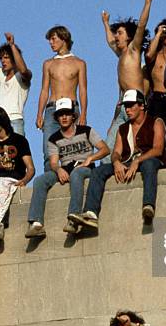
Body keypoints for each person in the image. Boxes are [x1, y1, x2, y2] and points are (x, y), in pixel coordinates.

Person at [72, 90, 165, 228]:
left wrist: (137, 161)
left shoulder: (156, 122)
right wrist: (116, 162)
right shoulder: (123, 128)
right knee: (99, 171)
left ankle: (148, 205)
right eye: (126, 106)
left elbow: (158, 149)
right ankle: (91, 213)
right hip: (127, 161)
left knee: (149, 164)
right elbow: (116, 151)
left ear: (141, 106)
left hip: (149, 159)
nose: (127, 109)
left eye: (131, 105)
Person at [25, 98, 109, 238]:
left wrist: (90, 158)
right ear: (57, 117)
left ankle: (73, 218)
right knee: (40, 180)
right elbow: (53, 162)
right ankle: (36, 223)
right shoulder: (54, 138)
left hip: (85, 168)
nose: (64, 117)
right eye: (60, 114)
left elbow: (105, 149)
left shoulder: (86, 131)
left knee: (77, 173)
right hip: (65, 168)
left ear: (73, 116)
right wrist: (58, 169)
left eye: (67, 114)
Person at [101, 0, 154, 158]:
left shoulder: (133, 51)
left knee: (137, 145)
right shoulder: (121, 54)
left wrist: (147, 3)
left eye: (120, 33)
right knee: (110, 146)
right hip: (124, 106)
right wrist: (105, 23)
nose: (116, 36)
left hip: (137, 104)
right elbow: (110, 41)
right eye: (116, 33)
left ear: (129, 37)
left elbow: (141, 26)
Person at [0, 106, 35, 240]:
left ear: (1, 121)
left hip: (14, 179)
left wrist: (24, 181)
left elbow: (31, 168)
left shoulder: (19, 140)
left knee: (3, 183)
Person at [36, 26, 88, 169]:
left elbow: (83, 89)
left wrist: (83, 113)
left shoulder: (79, 63)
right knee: (49, 148)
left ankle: (75, 174)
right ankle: (50, 176)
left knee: (76, 146)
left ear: (63, 38)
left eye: (53, 39)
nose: (51, 43)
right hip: (52, 108)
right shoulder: (48, 64)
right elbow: (44, 90)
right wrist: (39, 113)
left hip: (72, 107)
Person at [144, 17, 166, 139]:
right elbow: (148, 56)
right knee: (156, 136)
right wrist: (158, 33)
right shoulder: (155, 56)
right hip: (158, 99)